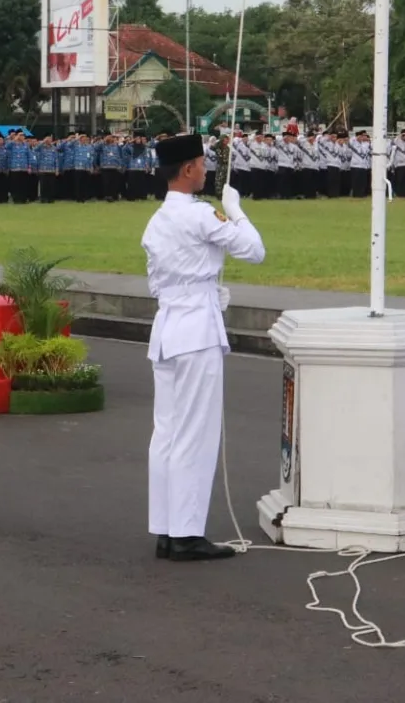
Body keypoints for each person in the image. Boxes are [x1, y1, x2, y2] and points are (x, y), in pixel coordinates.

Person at [143, 133, 265, 563]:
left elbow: (157, 280)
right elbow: (255, 251)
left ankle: (166, 527)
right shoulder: (198, 215)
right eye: (201, 164)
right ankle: (187, 533)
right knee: (195, 434)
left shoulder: (157, 219)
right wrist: (236, 212)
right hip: (195, 332)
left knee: (168, 434)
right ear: (189, 169)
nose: (206, 170)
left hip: (169, 327)